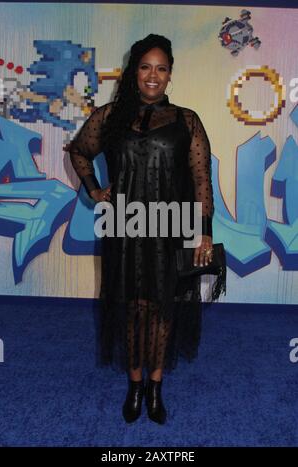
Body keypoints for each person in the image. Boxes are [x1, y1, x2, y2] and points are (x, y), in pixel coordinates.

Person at [68, 34, 223, 425]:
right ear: (133, 72)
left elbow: (201, 177)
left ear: (170, 75)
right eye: (145, 67)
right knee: (131, 309)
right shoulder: (109, 117)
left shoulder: (186, 121)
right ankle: (134, 385)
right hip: (123, 229)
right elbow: (79, 151)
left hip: (169, 229)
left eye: (162, 68)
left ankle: (155, 387)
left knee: (162, 309)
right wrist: (95, 192)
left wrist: (204, 232)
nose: (153, 76)